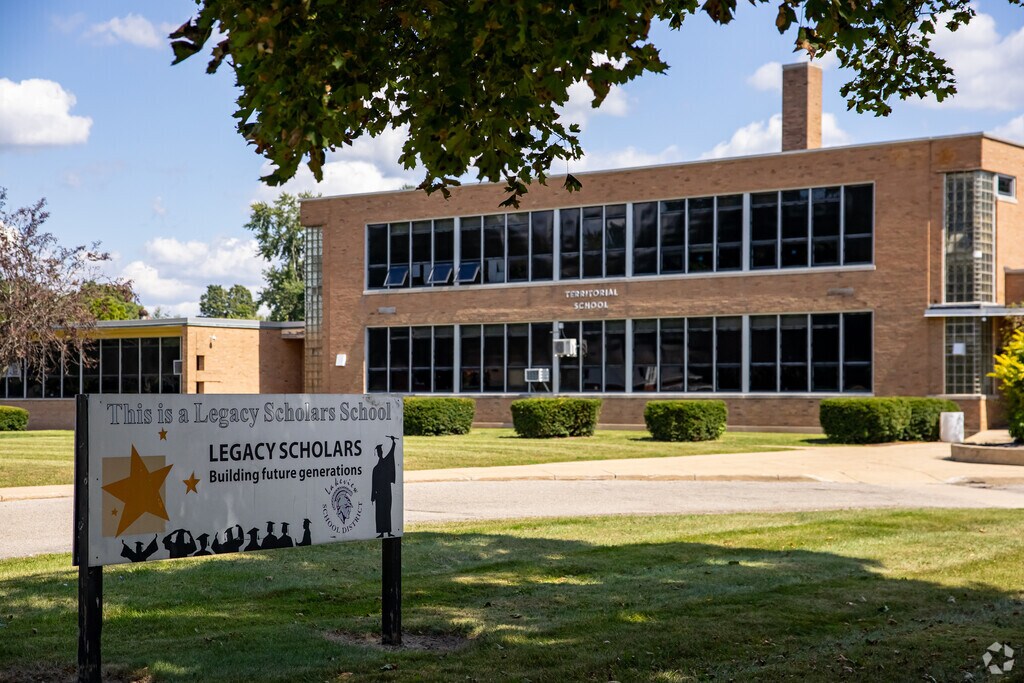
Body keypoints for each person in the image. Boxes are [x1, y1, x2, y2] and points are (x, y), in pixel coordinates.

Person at [371, 435, 398, 538]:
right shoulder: (376, 468)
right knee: (380, 512)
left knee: (387, 510)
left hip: (387, 491)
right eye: (379, 452)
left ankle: (388, 531)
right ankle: (381, 532)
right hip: (380, 493)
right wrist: (373, 495)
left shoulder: (385, 463)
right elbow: (374, 483)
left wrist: (393, 443)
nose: (380, 453)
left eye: (380, 451)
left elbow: (391, 453)